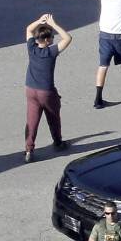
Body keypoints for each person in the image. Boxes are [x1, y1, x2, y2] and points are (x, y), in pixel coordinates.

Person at [23, 13, 73, 163]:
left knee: (32, 121)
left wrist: (39, 21)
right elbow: (68, 38)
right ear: (46, 40)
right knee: (53, 118)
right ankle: (58, 143)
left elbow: (29, 29)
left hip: (30, 90)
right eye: (51, 37)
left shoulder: (31, 48)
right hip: (46, 92)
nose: (53, 38)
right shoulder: (51, 52)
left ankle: (29, 150)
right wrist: (53, 24)